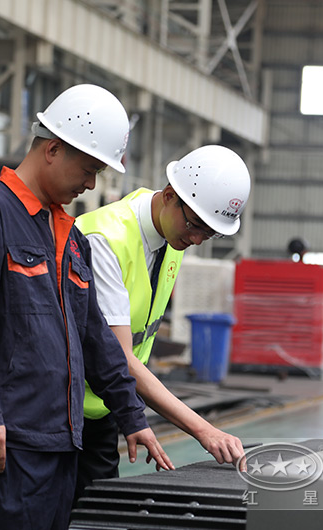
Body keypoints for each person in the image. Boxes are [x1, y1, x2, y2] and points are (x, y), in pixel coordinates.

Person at [0, 84, 173, 530]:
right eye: (88, 169)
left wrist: (130, 414)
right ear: (53, 149)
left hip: (63, 446)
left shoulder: (70, 236)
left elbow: (95, 336)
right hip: (7, 446)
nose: (91, 184)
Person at [74, 144, 250, 502]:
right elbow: (120, 357)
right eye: (197, 225)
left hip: (102, 407)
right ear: (169, 195)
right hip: (60, 411)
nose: (198, 239)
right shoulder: (105, 239)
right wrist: (203, 429)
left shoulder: (171, 236)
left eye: (210, 234)